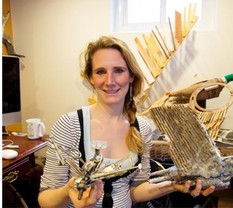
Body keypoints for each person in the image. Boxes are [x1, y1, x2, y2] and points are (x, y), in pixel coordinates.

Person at [38, 36, 215, 208]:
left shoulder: (143, 128)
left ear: (131, 76)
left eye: (119, 70)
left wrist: (172, 185)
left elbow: (136, 191)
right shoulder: (69, 125)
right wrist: (67, 191)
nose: (110, 81)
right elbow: (45, 200)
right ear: (91, 78)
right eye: (101, 72)